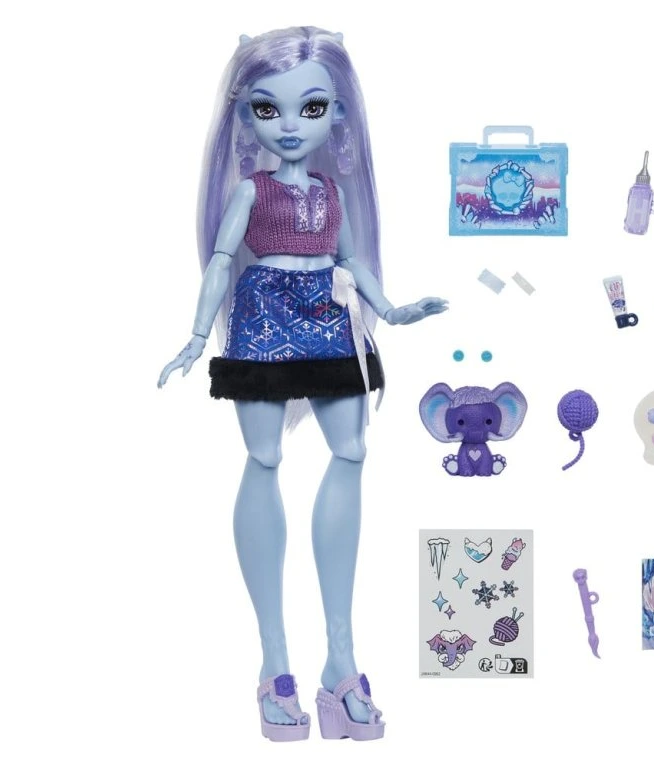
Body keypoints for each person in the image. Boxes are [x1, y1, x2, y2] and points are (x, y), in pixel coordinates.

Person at [157, 27, 447, 741]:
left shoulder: (333, 193)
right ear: (244, 114)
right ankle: (275, 661)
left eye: (311, 108)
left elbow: (356, 260)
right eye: (269, 108)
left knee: (352, 452)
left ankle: (339, 660)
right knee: (264, 458)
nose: (290, 125)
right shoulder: (250, 191)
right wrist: (197, 335)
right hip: (263, 317)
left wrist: (390, 310)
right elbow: (220, 261)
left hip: (329, 315)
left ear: (339, 114)